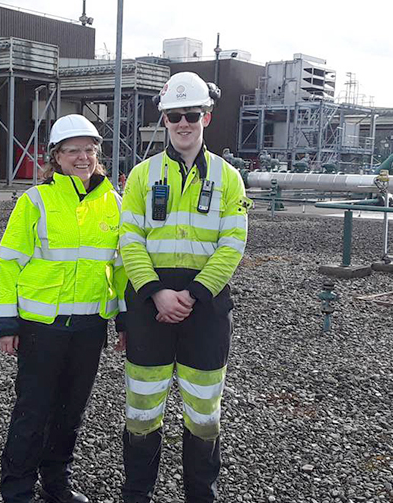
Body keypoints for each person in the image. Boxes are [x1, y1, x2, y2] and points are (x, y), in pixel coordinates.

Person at [118, 72, 251, 503]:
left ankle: (201, 496)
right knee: (141, 412)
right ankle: (136, 495)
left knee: (204, 414)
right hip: (149, 306)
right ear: (165, 118)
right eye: (174, 116)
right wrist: (156, 291)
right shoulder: (141, 175)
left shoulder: (229, 178)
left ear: (206, 117)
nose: (183, 123)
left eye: (191, 114)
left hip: (205, 309)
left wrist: (192, 295)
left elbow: (233, 244)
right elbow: (129, 239)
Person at [0, 114, 126, 503]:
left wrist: (123, 320)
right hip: (41, 328)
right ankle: (16, 491)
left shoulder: (111, 203)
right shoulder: (36, 200)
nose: (83, 157)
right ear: (56, 156)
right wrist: (5, 323)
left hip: (89, 329)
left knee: (70, 415)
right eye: (73, 151)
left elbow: (118, 267)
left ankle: (56, 485)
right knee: (32, 414)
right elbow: (7, 263)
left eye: (89, 149)